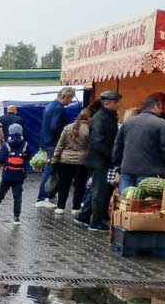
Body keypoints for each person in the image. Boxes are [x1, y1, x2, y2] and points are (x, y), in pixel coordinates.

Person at [113, 96, 165, 193]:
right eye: (160, 108)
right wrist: (164, 166)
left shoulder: (128, 123)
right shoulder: (162, 124)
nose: (161, 111)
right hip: (149, 171)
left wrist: (118, 165)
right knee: (144, 204)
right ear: (155, 107)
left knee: (125, 202)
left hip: (127, 169)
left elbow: (118, 146)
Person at [79, 90, 121, 230]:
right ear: (106, 103)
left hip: (99, 159)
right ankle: (95, 222)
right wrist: (111, 155)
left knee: (94, 190)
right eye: (116, 102)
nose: (118, 105)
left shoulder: (107, 117)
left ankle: (84, 216)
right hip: (99, 160)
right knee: (99, 191)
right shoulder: (101, 118)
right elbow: (97, 142)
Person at [35, 87, 76, 208]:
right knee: (50, 170)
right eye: (71, 97)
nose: (71, 100)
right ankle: (42, 197)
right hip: (53, 144)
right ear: (65, 96)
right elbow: (55, 127)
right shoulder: (59, 109)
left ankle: (48, 195)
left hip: (47, 142)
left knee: (51, 170)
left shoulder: (50, 106)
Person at [51, 103, 94, 216]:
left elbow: (60, 144)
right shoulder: (89, 129)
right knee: (79, 185)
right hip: (82, 161)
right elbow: (91, 147)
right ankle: (76, 207)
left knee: (64, 184)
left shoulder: (68, 127)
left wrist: (55, 157)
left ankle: (60, 207)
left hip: (65, 160)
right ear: (89, 117)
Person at [0, 122, 30, 225]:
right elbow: (28, 158)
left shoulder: (6, 144)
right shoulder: (25, 144)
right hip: (19, 175)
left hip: (7, 174)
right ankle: (16, 217)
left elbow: (1, 159)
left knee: (0, 195)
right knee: (17, 197)